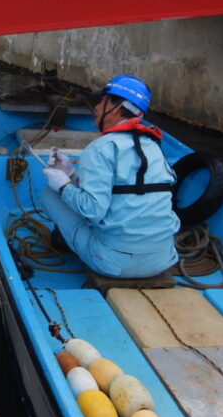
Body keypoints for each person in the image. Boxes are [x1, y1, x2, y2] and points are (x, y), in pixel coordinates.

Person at [40, 75, 180, 278]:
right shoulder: (153, 146)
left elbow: (92, 211)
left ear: (115, 108)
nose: (96, 107)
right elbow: (127, 186)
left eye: (101, 101)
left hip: (114, 264)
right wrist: (72, 173)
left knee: (49, 195)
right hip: (163, 259)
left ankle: (66, 241)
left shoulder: (100, 148)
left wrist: (63, 186)